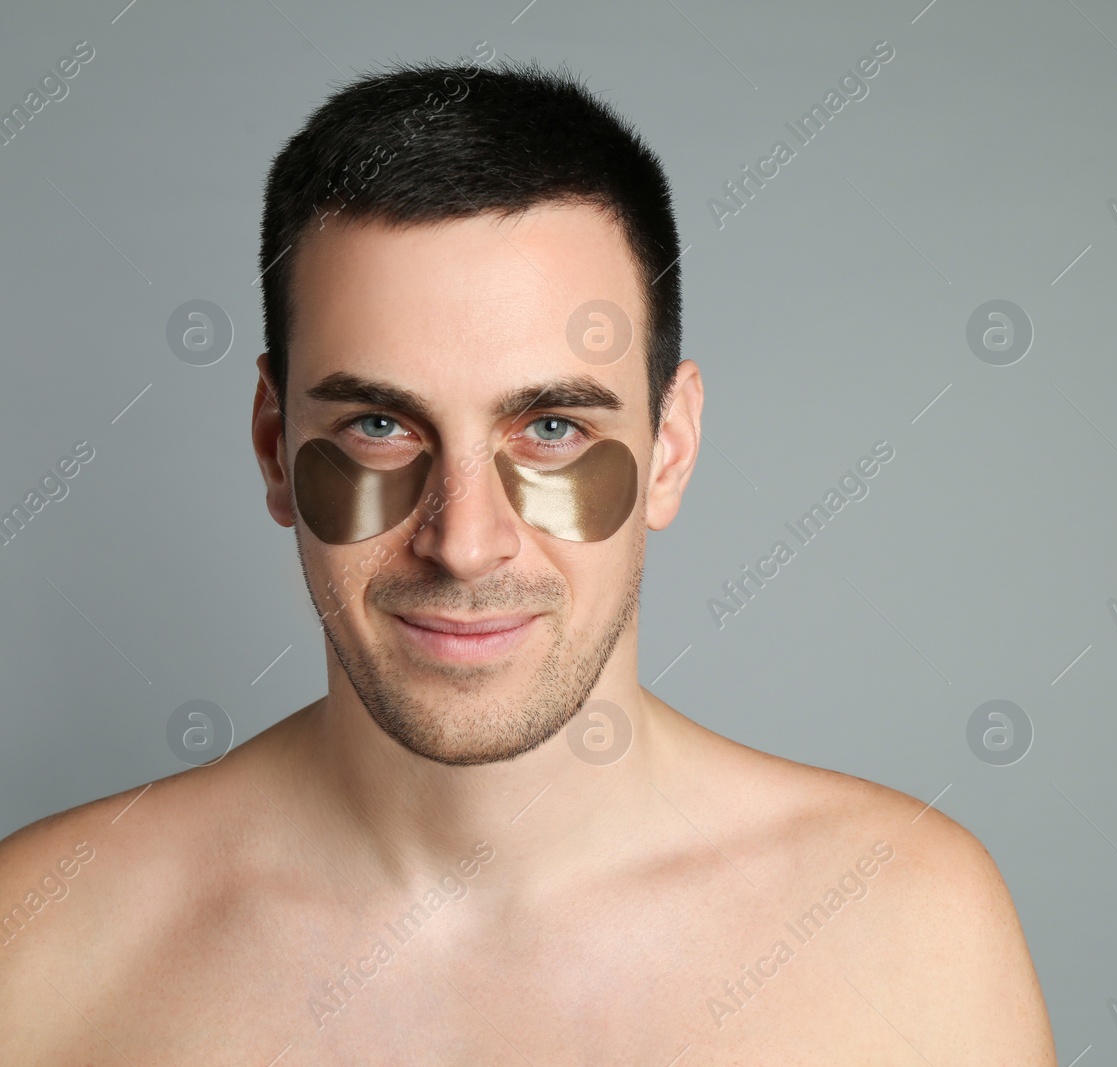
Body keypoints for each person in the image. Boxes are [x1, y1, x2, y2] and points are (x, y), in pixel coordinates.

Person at [0, 55, 1055, 1063]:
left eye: (551, 428)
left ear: (670, 448)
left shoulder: (906, 927)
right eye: (378, 423)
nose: (464, 542)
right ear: (276, 445)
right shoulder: (41, 939)